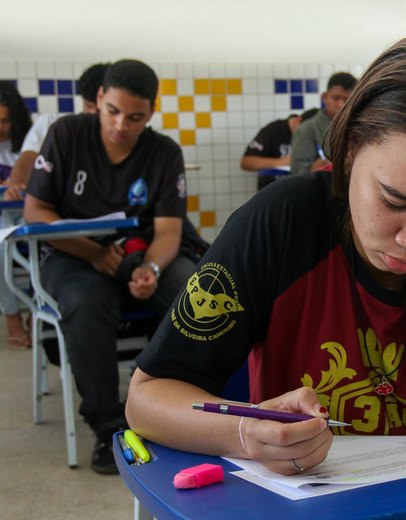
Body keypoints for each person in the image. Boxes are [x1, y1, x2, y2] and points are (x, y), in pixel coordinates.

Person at [125, 29, 406, 477]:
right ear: (348, 151)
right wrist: (244, 432)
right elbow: (148, 396)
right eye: (394, 201)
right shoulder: (284, 219)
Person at [23, 59, 197, 475]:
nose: (122, 125)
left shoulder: (164, 152)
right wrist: (93, 253)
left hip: (139, 253)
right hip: (70, 254)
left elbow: (170, 231)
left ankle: (184, 404)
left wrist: (151, 269)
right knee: (87, 302)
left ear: (151, 112)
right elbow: (37, 212)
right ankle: (108, 426)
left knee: (192, 291)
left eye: (136, 117)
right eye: (113, 112)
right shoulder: (65, 135)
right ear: (99, 99)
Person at [5, 63, 109, 202]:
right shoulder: (51, 123)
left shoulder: (121, 136)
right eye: (89, 106)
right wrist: (16, 188)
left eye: (101, 110)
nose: (93, 114)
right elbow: (28, 159)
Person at [0, 81, 32, 350]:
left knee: (46, 245)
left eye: (5, 121)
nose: (0, 127)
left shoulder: (29, 145)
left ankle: (36, 314)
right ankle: (12, 316)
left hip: (26, 215)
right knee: (0, 248)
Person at [289, 72, 357, 175]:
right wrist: (314, 168)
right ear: (324, 97)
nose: (341, 105)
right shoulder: (307, 129)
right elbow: (296, 171)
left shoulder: (361, 127)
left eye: (347, 100)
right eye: (336, 98)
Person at [240, 108, 318, 190]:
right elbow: (246, 162)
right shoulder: (273, 130)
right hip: (272, 191)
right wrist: (284, 162)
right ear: (298, 120)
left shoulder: (318, 134)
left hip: (303, 189)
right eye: (305, 132)